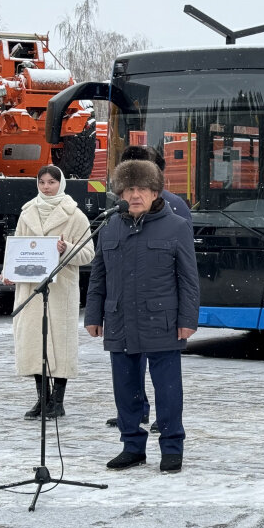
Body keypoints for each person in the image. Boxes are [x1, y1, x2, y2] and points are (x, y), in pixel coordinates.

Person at [85, 159, 199, 473]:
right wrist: (93, 315)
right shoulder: (109, 227)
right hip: (120, 321)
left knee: (168, 391)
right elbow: (98, 277)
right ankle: (132, 447)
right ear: (120, 192)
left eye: (143, 189)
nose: (135, 195)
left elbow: (188, 279)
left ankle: (172, 447)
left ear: (155, 191)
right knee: (125, 389)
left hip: (161, 323)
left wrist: (188, 320)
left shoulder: (176, 226)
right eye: (129, 189)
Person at [102, 144, 194, 432]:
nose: (134, 192)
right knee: (129, 371)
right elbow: (102, 270)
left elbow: (186, 272)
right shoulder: (114, 218)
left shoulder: (175, 208)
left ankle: (167, 431)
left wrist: (186, 318)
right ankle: (135, 413)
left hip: (159, 313)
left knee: (163, 377)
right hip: (126, 313)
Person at [7, 165, 94, 420]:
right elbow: (19, 247)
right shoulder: (27, 213)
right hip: (32, 289)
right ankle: (42, 400)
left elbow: (89, 254)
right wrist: (10, 270)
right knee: (36, 344)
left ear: (61, 183)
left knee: (61, 345)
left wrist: (65, 247)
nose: (47, 187)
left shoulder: (75, 215)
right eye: (42, 182)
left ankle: (58, 401)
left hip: (60, 291)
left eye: (52, 182)